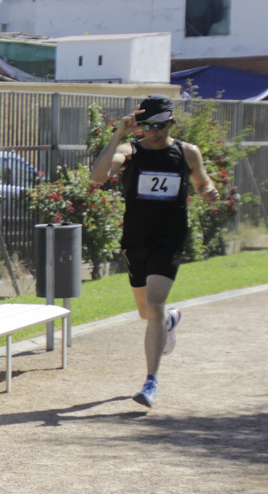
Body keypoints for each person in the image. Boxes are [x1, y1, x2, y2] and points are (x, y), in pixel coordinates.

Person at [90, 94, 219, 409]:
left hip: (169, 238)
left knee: (155, 301)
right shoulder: (130, 151)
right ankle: (168, 324)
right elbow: (98, 177)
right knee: (147, 313)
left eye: (159, 125)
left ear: (171, 123)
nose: (153, 131)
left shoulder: (187, 153)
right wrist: (118, 134)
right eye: (146, 125)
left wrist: (208, 190)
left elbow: (202, 182)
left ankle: (150, 382)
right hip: (136, 239)